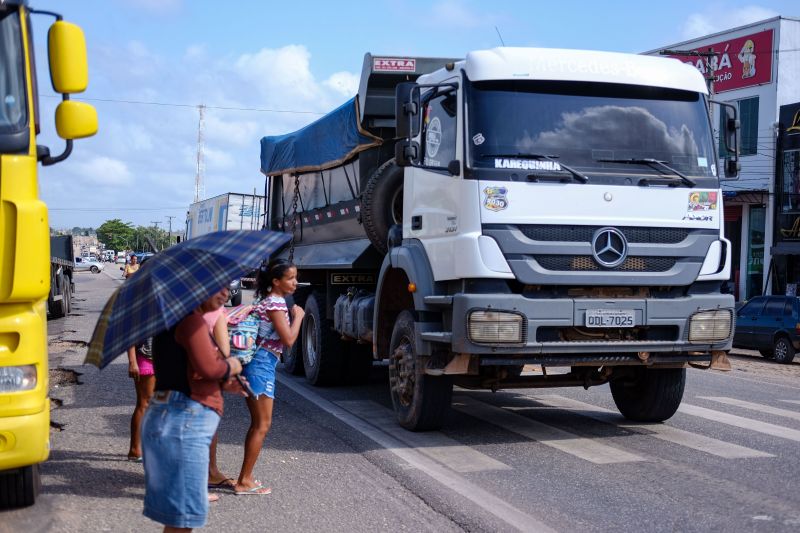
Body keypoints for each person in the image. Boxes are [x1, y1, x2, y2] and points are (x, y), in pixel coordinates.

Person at [141, 286, 245, 531]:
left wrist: (223, 383)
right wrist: (233, 365)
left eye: (227, 289)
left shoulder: (179, 320)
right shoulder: (191, 322)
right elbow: (210, 369)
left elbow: (188, 371)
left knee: (180, 517)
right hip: (183, 420)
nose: (226, 294)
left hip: (172, 416)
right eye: (217, 289)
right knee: (183, 517)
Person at [233, 259, 304, 495]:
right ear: (276, 281)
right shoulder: (276, 304)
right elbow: (289, 340)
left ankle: (246, 477)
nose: (295, 282)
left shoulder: (268, 300)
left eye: (295, 277)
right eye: (290, 278)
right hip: (261, 365)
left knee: (259, 424)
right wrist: (300, 317)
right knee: (262, 425)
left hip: (260, 364)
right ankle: (244, 480)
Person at [126, 338, 154, 462]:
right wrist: (132, 361)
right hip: (145, 357)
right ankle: (135, 449)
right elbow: (131, 334)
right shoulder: (139, 317)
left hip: (163, 357)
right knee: (144, 403)